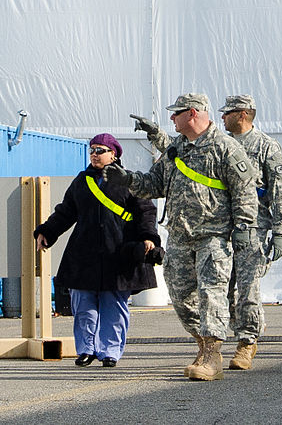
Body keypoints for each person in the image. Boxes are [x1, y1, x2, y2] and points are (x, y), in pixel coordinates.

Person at [105, 93, 258, 381]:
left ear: (192, 113)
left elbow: (245, 191)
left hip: (214, 236)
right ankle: (203, 346)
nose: (171, 119)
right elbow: (155, 184)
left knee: (211, 294)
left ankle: (213, 356)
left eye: (176, 114)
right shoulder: (177, 148)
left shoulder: (225, 148)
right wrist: (127, 179)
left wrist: (244, 232)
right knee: (180, 295)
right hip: (179, 236)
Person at [132, 94, 282, 370]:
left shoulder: (259, 146)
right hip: (193, 232)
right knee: (205, 293)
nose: (223, 117)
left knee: (243, 291)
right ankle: (208, 344)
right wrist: (151, 140)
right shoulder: (190, 145)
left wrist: (278, 230)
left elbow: (275, 191)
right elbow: (168, 168)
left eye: (229, 113)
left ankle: (244, 342)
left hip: (246, 228)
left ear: (242, 114)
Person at [34, 133, 161, 368]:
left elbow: (146, 211)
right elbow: (66, 212)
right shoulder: (82, 181)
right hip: (84, 254)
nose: (94, 154)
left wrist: (148, 237)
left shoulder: (129, 181)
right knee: (83, 305)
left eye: (100, 150)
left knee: (114, 305)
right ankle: (86, 349)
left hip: (118, 253)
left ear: (114, 154)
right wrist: (47, 231)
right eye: (92, 149)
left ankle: (110, 351)